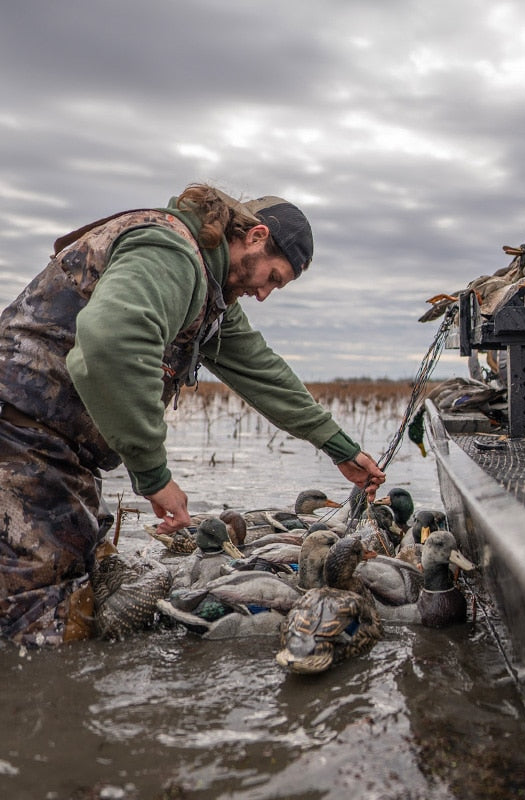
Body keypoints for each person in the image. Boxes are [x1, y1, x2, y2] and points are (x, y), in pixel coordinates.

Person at [0, 183, 386, 646]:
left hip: (59, 454)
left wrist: (339, 448)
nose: (264, 294)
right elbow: (106, 346)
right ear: (257, 236)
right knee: (40, 626)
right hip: (21, 438)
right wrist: (153, 473)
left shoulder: (211, 296)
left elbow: (266, 375)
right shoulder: (171, 252)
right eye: (274, 278)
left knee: (89, 581)